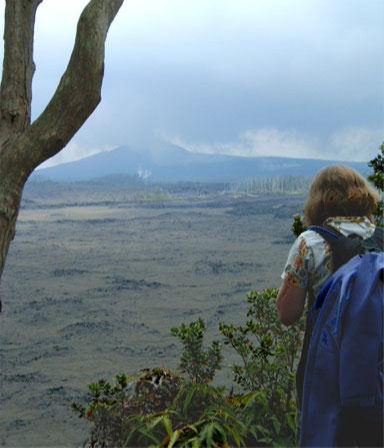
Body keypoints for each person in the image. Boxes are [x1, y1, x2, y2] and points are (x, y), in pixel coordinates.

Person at [276, 165, 380, 409]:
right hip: (376, 370)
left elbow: (287, 314)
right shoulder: (382, 238)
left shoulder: (309, 243)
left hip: (326, 373)